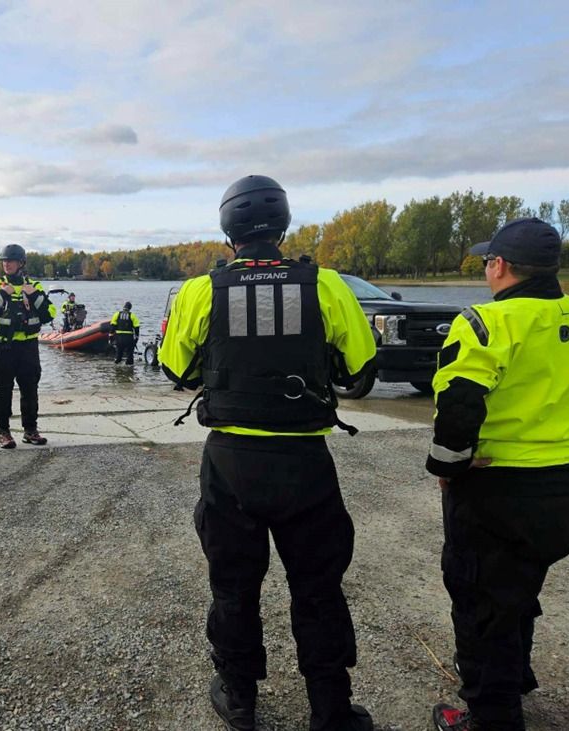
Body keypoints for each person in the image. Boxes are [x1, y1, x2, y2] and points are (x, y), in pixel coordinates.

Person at [160, 175, 376, 731]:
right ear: (282, 226)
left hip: (232, 462)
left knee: (233, 585)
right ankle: (330, 710)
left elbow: (175, 370)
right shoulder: (324, 285)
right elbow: (361, 371)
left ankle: (239, 698)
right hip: (306, 463)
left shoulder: (200, 290)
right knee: (319, 587)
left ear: (228, 230)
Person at [427, 218, 569, 731]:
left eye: (487, 262)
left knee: (478, 599)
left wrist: (448, 466)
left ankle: (490, 715)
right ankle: (513, 676)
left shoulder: (486, 322)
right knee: (520, 590)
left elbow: (459, 401)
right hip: (556, 485)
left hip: (492, 486)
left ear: (499, 266)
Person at [0, 244, 56, 449]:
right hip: (5, 347)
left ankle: (30, 430)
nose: (6, 264)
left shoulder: (34, 286)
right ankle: (3, 432)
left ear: (21, 263)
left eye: (10, 261)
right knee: (3, 390)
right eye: (4, 261)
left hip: (28, 347)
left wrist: (34, 295)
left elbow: (49, 313)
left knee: (30, 389)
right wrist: (3, 295)